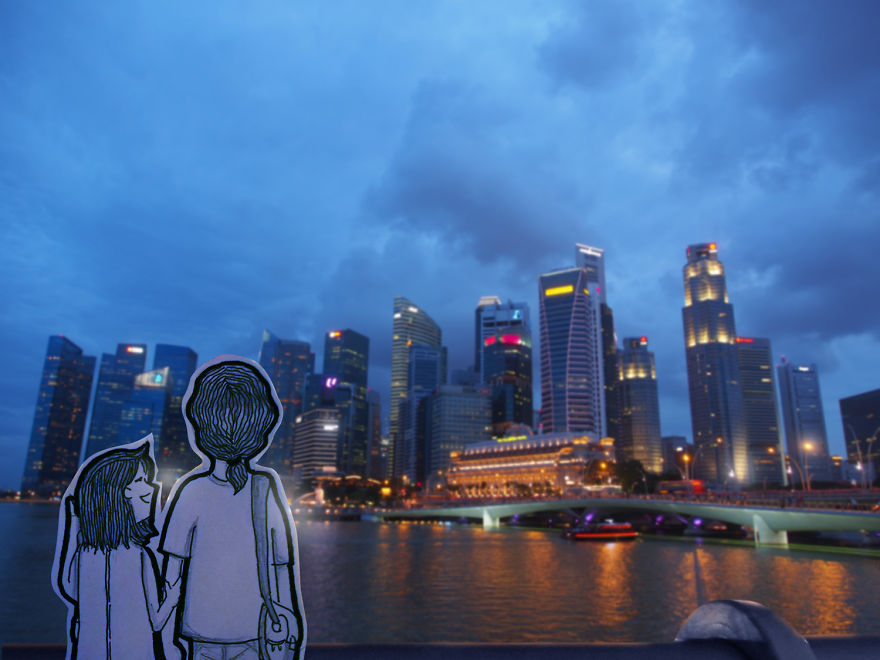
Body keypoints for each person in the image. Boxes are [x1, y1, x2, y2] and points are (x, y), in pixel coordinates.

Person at [160, 356, 305, 660]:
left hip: (199, 631)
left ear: (201, 425)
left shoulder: (191, 491)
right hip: (257, 629)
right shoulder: (265, 490)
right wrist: (290, 624)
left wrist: (163, 638)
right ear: (261, 427)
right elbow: (281, 569)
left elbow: (172, 577)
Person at [54, 439, 180, 660]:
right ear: (121, 493)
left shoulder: (85, 555)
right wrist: (178, 589)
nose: (151, 488)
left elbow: (69, 589)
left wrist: (75, 520)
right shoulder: (139, 556)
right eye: (141, 480)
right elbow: (157, 620)